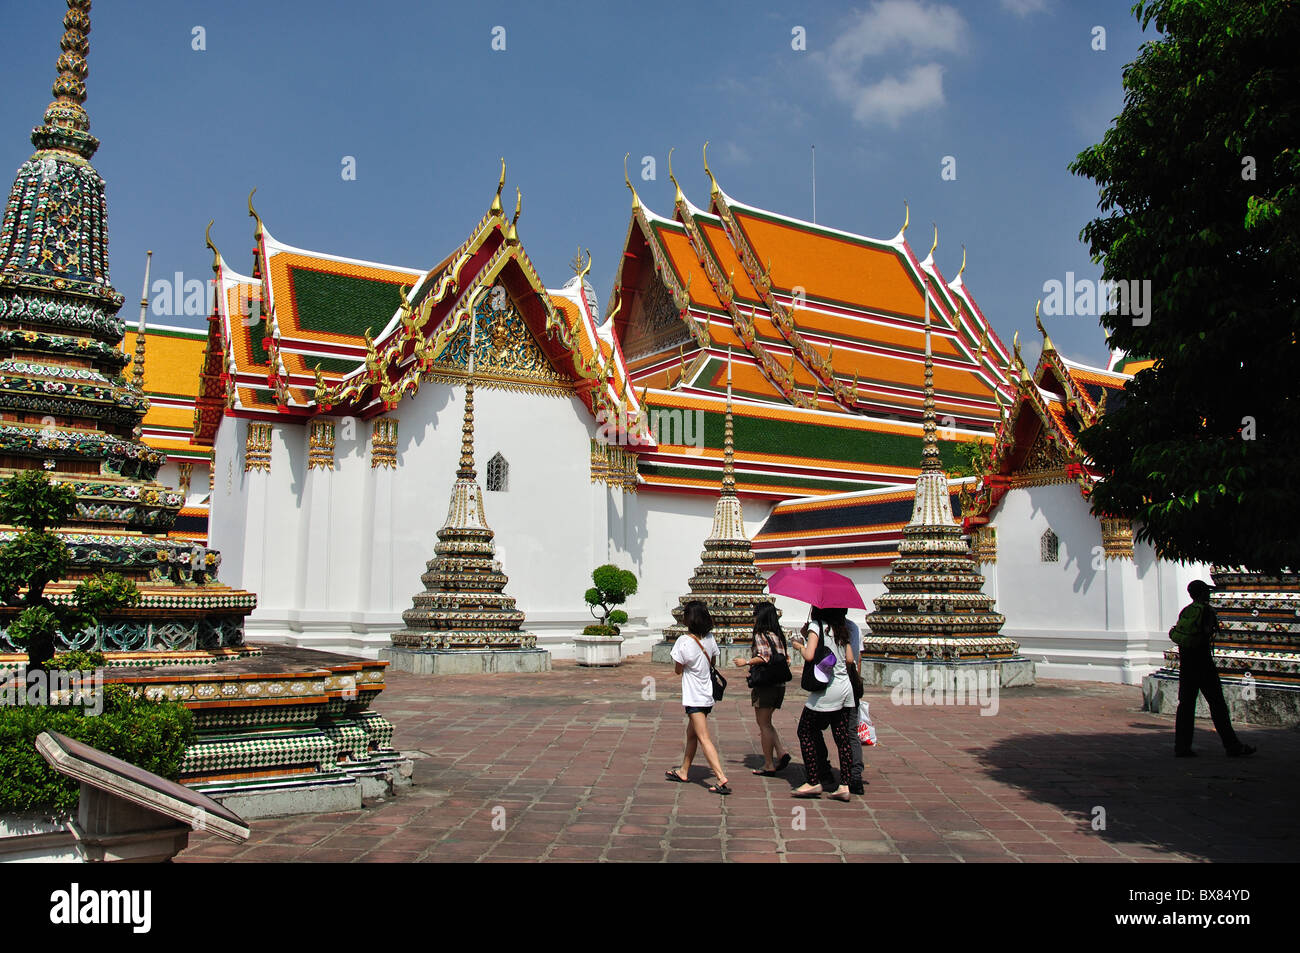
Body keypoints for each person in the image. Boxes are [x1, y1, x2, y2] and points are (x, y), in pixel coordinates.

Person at [1173, 580, 1255, 758]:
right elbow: (1207, 632)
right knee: (1217, 705)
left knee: (1185, 705)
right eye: (1206, 592)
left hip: (1187, 664)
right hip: (1203, 663)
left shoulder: (1185, 611)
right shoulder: (1207, 611)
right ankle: (1232, 745)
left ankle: (1181, 746)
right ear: (1202, 594)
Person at [790, 606, 856, 800]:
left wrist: (799, 645)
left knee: (805, 730)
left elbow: (809, 656)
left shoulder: (817, 626)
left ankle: (813, 780)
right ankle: (844, 785)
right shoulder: (843, 628)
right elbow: (850, 659)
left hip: (827, 688)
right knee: (842, 738)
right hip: (845, 689)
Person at [666, 600, 731, 795]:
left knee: (703, 737)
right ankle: (684, 770)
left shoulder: (683, 642)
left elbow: (678, 670)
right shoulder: (710, 639)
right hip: (707, 693)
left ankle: (720, 776)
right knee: (692, 734)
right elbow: (712, 661)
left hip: (694, 696)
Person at [732, 601, 792, 776]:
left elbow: (764, 657)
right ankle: (781, 752)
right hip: (779, 684)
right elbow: (785, 659)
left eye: (755, 614)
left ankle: (768, 764)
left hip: (766, 686)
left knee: (763, 724)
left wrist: (747, 662)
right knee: (767, 722)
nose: (754, 617)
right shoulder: (778, 635)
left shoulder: (760, 634)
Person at [823, 607, 865, 794]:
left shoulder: (827, 630)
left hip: (832, 685)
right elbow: (857, 658)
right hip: (851, 682)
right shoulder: (854, 628)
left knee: (811, 728)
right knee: (850, 732)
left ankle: (823, 769)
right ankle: (854, 775)